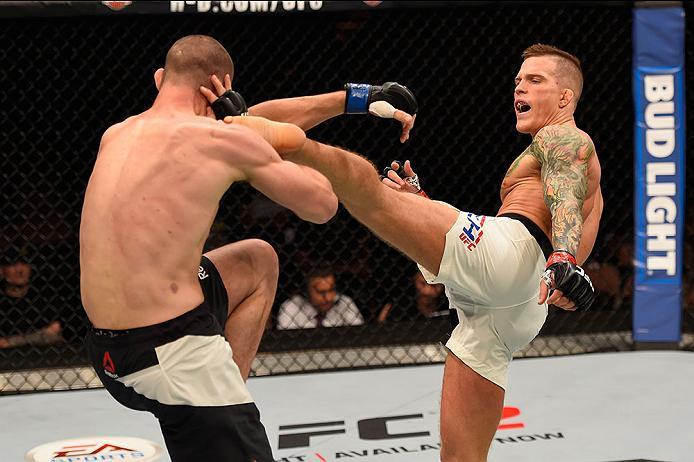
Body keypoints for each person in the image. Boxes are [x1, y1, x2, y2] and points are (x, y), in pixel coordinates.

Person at [227, 43, 601, 461]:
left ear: (565, 97)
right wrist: (419, 203)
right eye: (518, 80)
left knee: (367, 192)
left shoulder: (564, 136)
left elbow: (565, 188)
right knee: (461, 458)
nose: (520, 88)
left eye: (535, 80)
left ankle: (283, 141)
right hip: (521, 305)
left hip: (518, 255)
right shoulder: (553, 148)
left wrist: (564, 256)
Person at [80, 34, 416, 462]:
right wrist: (244, 127)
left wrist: (355, 99)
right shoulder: (218, 139)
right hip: (171, 355)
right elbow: (321, 206)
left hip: (106, 354)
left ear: (160, 78)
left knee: (257, 259)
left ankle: (226, 396)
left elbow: (254, 120)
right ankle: (219, 403)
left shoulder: (118, 133)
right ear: (217, 89)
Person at [276, 264, 364, 329]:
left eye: (331, 290)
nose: (328, 298)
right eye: (321, 292)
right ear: (306, 292)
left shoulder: (344, 302)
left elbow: (360, 334)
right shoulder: (291, 307)